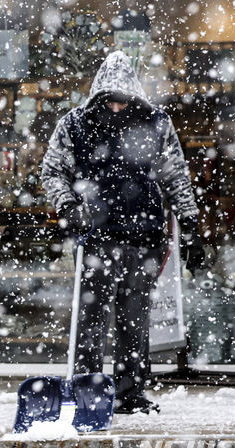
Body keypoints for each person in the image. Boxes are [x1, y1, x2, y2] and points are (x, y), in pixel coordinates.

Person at [41, 51, 207, 414]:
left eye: (122, 101)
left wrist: (190, 225)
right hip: (96, 239)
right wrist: (70, 207)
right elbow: (52, 172)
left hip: (144, 238)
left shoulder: (156, 123)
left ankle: (130, 393)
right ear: (99, 94)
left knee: (135, 322)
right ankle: (87, 389)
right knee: (91, 320)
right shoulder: (75, 124)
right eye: (109, 101)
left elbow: (175, 176)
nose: (115, 109)